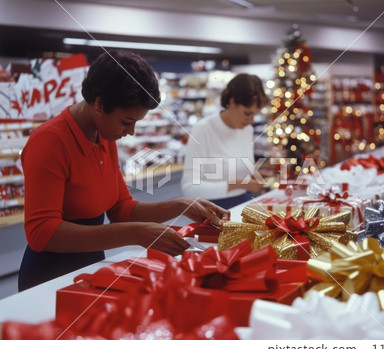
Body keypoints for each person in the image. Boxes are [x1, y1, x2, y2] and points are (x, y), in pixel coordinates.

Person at [18, 50, 229, 291]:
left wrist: (182, 205)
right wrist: (135, 234)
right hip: (47, 279)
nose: (130, 132)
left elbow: (121, 209)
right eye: (127, 122)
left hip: (90, 267)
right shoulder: (49, 141)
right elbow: (42, 232)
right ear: (99, 104)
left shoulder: (104, 136)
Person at [181, 73, 269, 209]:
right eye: (247, 113)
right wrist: (239, 184)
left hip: (242, 204)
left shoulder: (246, 129)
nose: (251, 120)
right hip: (211, 209)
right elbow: (189, 187)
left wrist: (254, 175)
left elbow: (243, 164)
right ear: (232, 102)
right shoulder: (203, 129)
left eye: (255, 114)